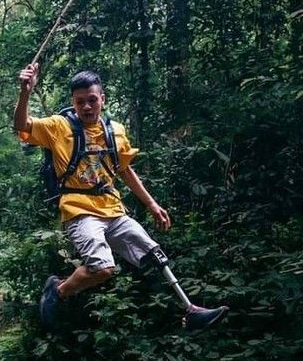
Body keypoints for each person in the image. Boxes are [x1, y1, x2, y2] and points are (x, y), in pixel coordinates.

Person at [13, 63, 228, 330]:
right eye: (81, 102)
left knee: (153, 255)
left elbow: (124, 170)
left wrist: (151, 203)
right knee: (103, 269)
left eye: (93, 100)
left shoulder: (114, 131)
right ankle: (58, 290)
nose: (87, 107)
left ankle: (190, 310)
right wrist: (25, 92)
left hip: (113, 208)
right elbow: (21, 125)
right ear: (73, 102)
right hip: (78, 209)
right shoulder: (58, 126)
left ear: (102, 98)